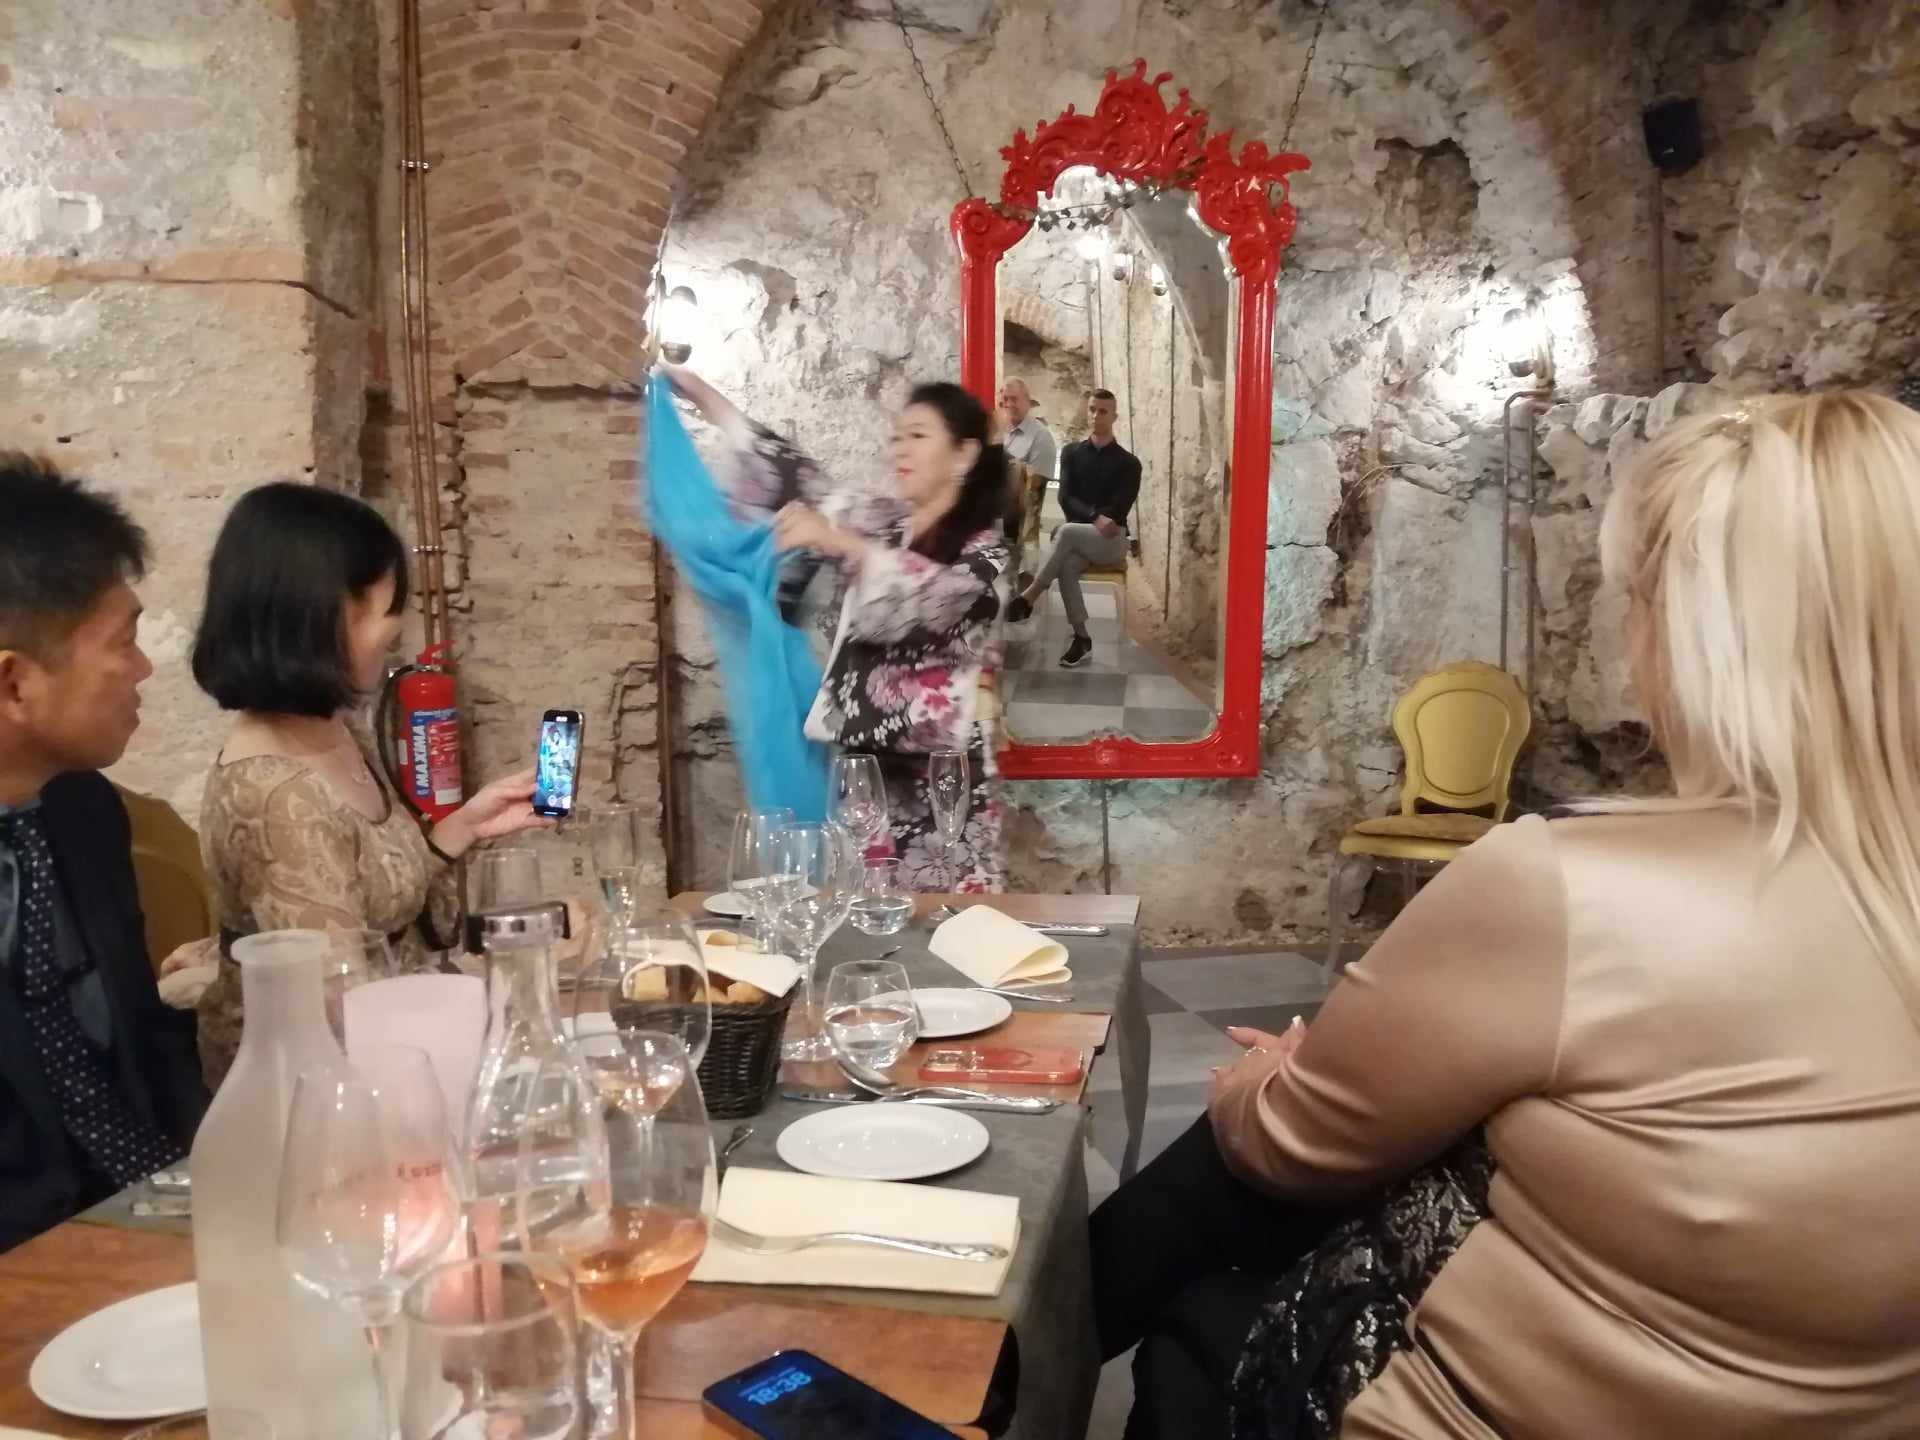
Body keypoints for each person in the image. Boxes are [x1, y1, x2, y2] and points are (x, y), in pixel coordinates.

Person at [1093, 391, 1920, 1438]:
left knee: (1207, 1295)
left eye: (1634, 604)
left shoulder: (1568, 888)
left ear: (1685, 633)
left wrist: (1257, 1088)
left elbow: (1295, 1147)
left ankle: (999, 1367)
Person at [180, 483, 553, 1088]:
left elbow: (373, 885)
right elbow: (345, 1011)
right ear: (322, 610)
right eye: (385, 607)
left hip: (405, 1048)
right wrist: (516, 985)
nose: (396, 628)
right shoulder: (275, 794)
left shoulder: (329, 726)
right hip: (320, 1091)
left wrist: (467, 824)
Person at [662, 366, 1009, 892]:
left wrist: (844, 545)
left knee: (949, 924)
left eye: (918, 435)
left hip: (946, 783)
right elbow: (802, 483)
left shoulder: (986, 553)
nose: (901, 449)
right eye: (897, 437)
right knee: (864, 913)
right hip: (867, 776)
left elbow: (937, 599)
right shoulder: (882, 523)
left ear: (964, 454)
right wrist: (702, 395)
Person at [0, 454, 207, 1251]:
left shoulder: (83, 809)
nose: (145, 670)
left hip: (152, 1210)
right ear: (15, 684)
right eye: (124, 643)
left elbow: (144, 1050)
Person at [1006, 388, 1140, 667]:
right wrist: (1094, 516)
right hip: (1081, 535)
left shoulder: (1129, 463)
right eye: (1092, 409)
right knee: (1066, 565)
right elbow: (1066, 498)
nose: (1096, 415)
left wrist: (1096, 519)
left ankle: (1029, 596)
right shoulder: (1071, 453)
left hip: (1111, 541)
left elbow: (1119, 510)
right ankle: (1081, 637)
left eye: (1103, 411)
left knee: (1065, 532)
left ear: (1114, 417)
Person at [998, 377, 1058, 480]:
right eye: (1005, 399)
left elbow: (1036, 484)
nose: (1009, 404)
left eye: (1014, 399)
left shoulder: (1041, 437)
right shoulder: (997, 431)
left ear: (1027, 402)